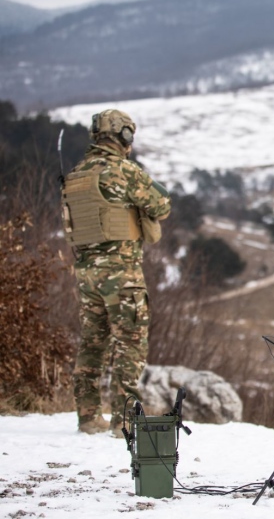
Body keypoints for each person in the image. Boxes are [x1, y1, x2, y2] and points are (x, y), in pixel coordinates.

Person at [61, 109, 171, 437]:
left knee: (92, 342)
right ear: (123, 136)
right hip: (121, 276)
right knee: (129, 344)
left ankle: (87, 415)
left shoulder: (75, 176)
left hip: (87, 276)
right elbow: (162, 204)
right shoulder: (123, 171)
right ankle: (123, 420)